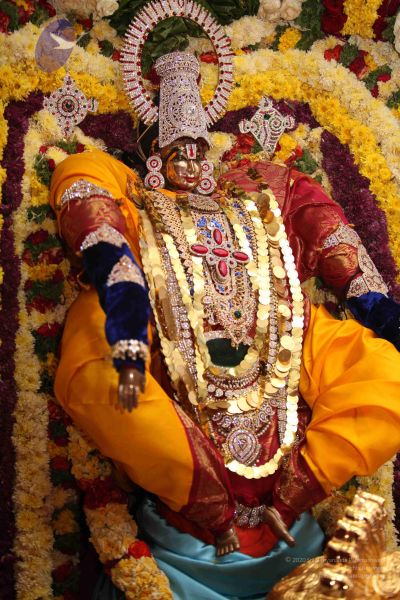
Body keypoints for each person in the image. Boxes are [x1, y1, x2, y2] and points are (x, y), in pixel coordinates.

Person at [49, 49, 400, 596]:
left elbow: (319, 222)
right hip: (165, 342)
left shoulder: (254, 194)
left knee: (385, 373)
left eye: (199, 152)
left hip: (275, 327)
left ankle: (295, 490)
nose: (191, 165)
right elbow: (83, 186)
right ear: (156, 159)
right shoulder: (140, 201)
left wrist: (377, 305)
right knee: (100, 363)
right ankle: (208, 503)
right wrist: (124, 289)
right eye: (178, 154)